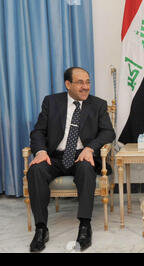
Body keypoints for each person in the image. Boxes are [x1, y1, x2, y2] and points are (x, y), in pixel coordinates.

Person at [27, 67, 115, 252]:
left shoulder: (98, 104)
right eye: (80, 82)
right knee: (35, 170)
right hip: (54, 157)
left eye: (88, 82)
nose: (86, 87)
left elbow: (108, 132)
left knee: (86, 168)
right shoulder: (51, 102)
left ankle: (85, 227)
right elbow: (38, 131)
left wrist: (90, 148)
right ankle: (41, 228)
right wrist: (41, 151)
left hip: (82, 155)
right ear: (68, 84)